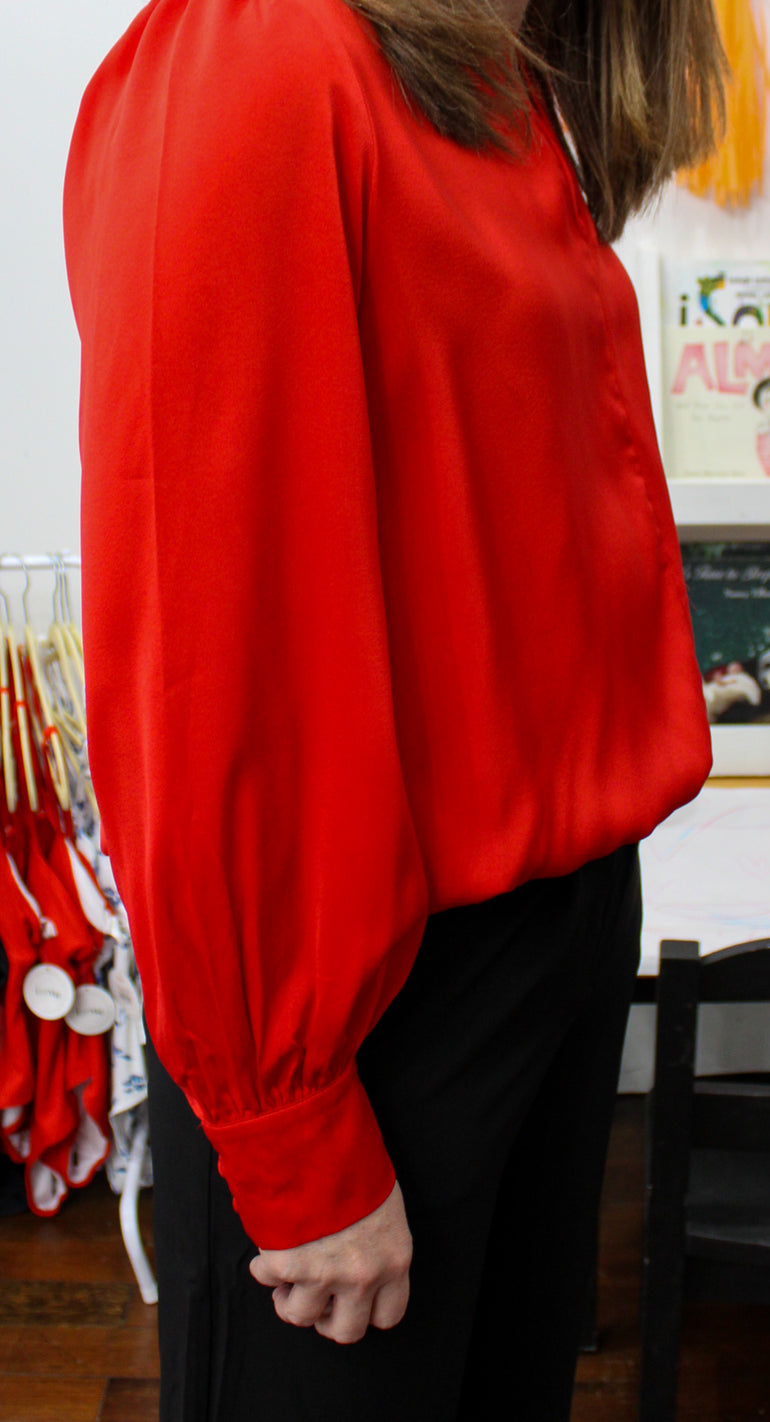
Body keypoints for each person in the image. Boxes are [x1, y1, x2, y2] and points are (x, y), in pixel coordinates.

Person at [63, 0, 726, 1416]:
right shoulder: (268, 53)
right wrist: (288, 1118)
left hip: (555, 931)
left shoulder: (500, 78)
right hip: (371, 998)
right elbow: (210, 631)